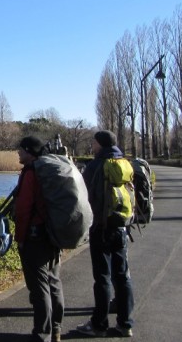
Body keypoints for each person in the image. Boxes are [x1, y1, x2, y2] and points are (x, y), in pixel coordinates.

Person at [76, 130, 135, 338]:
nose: (92, 146)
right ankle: (125, 324)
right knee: (123, 275)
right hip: (121, 225)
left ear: (100, 144)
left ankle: (99, 325)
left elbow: (83, 196)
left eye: (93, 143)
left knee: (102, 277)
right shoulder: (124, 163)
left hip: (101, 227)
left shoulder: (95, 166)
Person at [16, 136, 64, 342]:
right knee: (54, 281)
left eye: (21, 150)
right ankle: (56, 329)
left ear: (29, 151)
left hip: (35, 235)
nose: (18, 153)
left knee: (39, 286)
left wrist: (20, 238)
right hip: (52, 233)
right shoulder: (48, 169)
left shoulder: (31, 173)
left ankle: (41, 334)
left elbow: (24, 208)